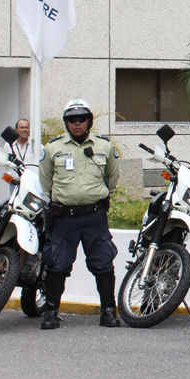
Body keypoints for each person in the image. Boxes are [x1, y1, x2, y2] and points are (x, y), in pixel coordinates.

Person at [38, 99, 121, 330]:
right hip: (64, 217)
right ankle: (51, 312)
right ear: (66, 123)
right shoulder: (53, 148)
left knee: (103, 263)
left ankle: (108, 312)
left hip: (94, 216)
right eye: (71, 119)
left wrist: (98, 195)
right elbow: (45, 181)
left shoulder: (104, 146)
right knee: (57, 264)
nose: (77, 123)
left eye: (81, 118)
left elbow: (113, 177)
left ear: (89, 121)